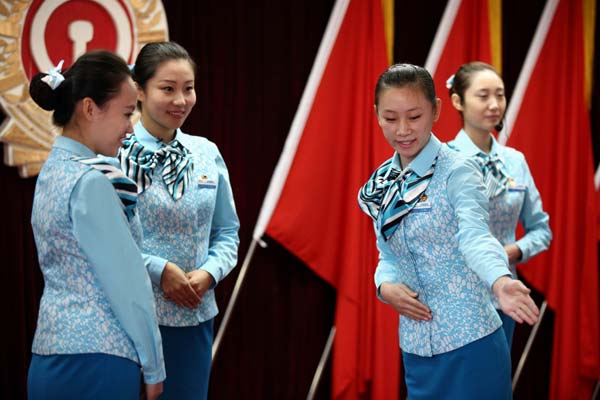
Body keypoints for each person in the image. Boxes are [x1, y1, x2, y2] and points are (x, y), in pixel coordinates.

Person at [357, 64, 539, 399]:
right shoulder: (380, 184)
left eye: (414, 116)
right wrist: (384, 286)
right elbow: (387, 254)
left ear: (437, 109)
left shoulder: (458, 171)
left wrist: (500, 281)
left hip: (471, 342)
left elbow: (476, 238)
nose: (402, 130)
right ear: (376, 114)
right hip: (416, 346)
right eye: (390, 118)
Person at [27, 51, 164, 399]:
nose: (131, 128)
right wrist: (154, 366)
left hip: (48, 355)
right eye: (127, 113)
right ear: (90, 109)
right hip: (99, 362)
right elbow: (129, 283)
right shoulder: (92, 181)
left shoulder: (52, 172)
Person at [119, 42, 240, 399]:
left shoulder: (206, 152)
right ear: (139, 91)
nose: (181, 100)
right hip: (129, 317)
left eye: (188, 89)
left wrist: (211, 272)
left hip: (194, 318)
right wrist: (158, 269)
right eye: (167, 89)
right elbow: (101, 242)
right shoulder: (113, 151)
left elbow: (227, 231)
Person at [447, 61, 551, 347]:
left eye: (500, 95)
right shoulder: (442, 162)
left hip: (503, 301)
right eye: (483, 96)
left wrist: (513, 251)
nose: (494, 104)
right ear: (458, 101)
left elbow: (541, 230)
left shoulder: (514, 161)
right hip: (453, 304)